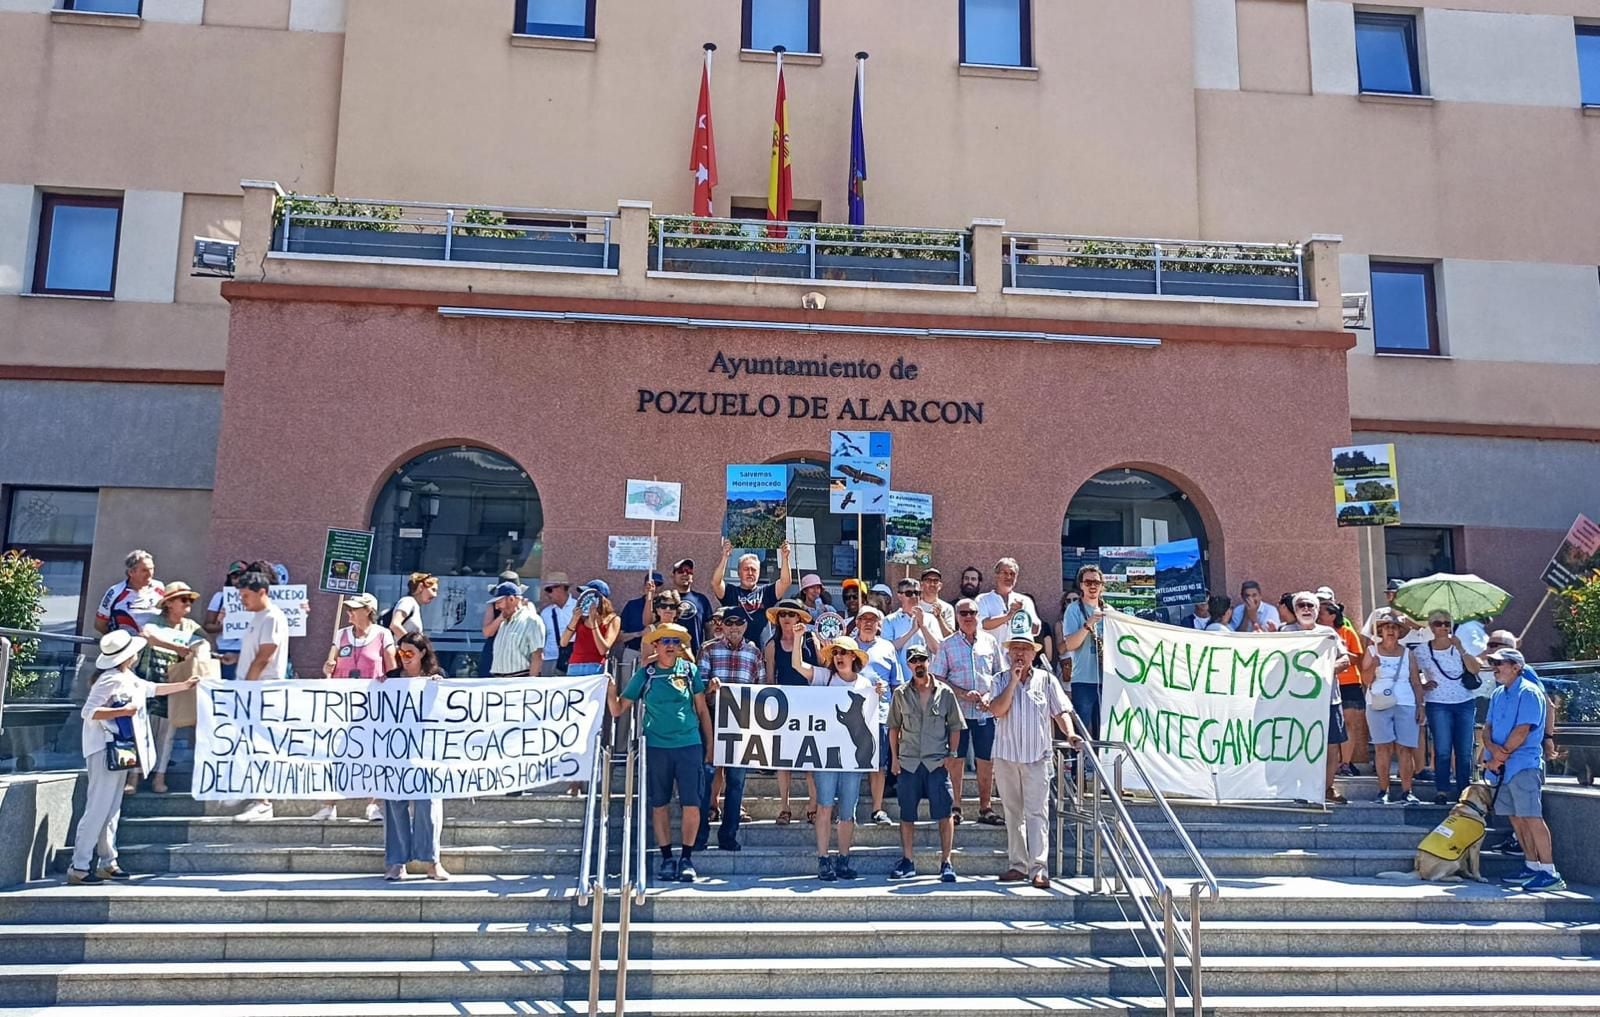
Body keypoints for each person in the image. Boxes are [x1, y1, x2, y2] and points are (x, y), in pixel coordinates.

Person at [68, 630, 200, 884]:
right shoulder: (110, 679)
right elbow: (89, 711)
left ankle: (107, 861)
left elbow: (152, 689)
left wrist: (184, 685)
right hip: (105, 748)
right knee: (98, 807)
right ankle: (80, 865)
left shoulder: (126, 677)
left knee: (111, 807)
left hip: (119, 748)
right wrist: (124, 712)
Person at [609, 622, 712, 883]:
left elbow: (702, 710)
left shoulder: (690, 670)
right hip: (656, 747)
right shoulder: (646, 674)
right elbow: (619, 709)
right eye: (665, 641)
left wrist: (710, 745)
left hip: (689, 745)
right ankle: (667, 858)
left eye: (676, 641)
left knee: (692, 804)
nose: (670, 646)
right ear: (655, 645)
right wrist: (610, 689)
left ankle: (686, 858)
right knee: (660, 805)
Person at [984, 633, 1083, 888]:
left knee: (1037, 812)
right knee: (1012, 812)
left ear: (1033, 654)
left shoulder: (1047, 680)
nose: (1019, 653)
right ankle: (1018, 865)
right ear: (1007, 654)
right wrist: (1013, 682)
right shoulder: (999, 680)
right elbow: (997, 710)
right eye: (1015, 649)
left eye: (1024, 649)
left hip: (1037, 757)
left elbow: (1060, 710)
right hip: (1006, 756)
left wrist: (1070, 734)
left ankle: (1039, 869)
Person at [789, 633, 888, 880]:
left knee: (848, 811)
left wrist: (880, 691)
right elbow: (797, 666)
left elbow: (874, 712)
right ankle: (823, 858)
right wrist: (799, 637)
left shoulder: (865, 684)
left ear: (854, 656)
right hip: (826, 755)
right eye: (836, 653)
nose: (839, 657)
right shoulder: (824, 677)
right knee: (824, 806)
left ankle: (843, 858)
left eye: (844, 652)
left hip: (852, 758)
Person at [1483, 646, 1563, 891]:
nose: (1495, 668)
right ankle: (1531, 865)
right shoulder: (1498, 694)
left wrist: (1500, 756)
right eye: (1494, 663)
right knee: (1516, 819)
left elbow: (1522, 731)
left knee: (1531, 817)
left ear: (1516, 667)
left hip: (1523, 766)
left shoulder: (1530, 693)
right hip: (1501, 767)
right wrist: (1492, 752)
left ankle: (1550, 872)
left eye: (1500, 663)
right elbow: (1486, 727)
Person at [315, 591, 397, 822]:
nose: (349, 612)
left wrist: (387, 681)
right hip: (343, 705)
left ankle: (373, 803)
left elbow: (392, 669)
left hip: (372, 704)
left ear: (368, 611)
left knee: (372, 752)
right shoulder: (341, 635)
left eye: (355, 608)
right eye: (349, 608)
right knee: (336, 751)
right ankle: (328, 803)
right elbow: (329, 666)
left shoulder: (383, 635)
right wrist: (328, 667)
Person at [887, 643, 966, 882]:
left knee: (945, 813)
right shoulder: (900, 693)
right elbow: (893, 727)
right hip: (909, 762)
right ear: (908, 664)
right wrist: (894, 759)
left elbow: (955, 726)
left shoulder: (945, 692)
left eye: (922, 659)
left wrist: (951, 755)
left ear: (928, 661)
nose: (918, 664)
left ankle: (946, 862)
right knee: (907, 813)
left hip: (936, 763)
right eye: (913, 660)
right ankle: (908, 861)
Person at [696, 604, 766, 851]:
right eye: (729, 623)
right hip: (713, 719)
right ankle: (699, 835)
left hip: (742, 722)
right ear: (722, 626)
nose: (734, 628)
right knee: (705, 777)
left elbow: (762, 691)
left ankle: (729, 836)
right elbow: (699, 694)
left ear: (745, 626)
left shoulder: (755, 653)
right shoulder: (708, 650)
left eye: (739, 623)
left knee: (736, 781)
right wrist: (710, 689)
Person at [380, 631, 448, 881]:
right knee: (395, 805)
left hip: (426, 753)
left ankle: (432, 861)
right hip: (394, 754)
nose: (404, 658)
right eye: (401, 653)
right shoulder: (390, 679)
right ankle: (397, 863)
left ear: (422, 653)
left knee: (427, 804)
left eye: (409, 653)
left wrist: (441, 689)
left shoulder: (437, 678)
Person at [929, 597, 1002, 826]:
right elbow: (937, 678)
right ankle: (955, 807)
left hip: (985, 712)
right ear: (957, 617)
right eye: (963, 613)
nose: (968, 617)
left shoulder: (990, 642)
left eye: (972, 612)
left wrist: (990, 696)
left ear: (978, 614)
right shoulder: (947, 644)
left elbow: (1000, 675)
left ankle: (985, 807)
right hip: (956, 713)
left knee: (985, 761)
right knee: (956, 760)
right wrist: (962, 693)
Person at [1280, 591, 1353, 804]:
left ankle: (1327, 788)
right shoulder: (1285, 633)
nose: (1306, 609)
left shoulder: (1328, 634)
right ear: (1295, 609)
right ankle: (1301, 790)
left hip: (1328, 699)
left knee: (1331, 746)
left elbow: (1345, 660)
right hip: (1297, 701)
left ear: (1317, 609)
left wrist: (1322, 669)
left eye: (1310, 605)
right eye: (1301, 605)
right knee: (1300, 744)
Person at [136, 582, 207, 795]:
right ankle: (135, 776)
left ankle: (160, 776)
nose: (188, 604)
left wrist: (198, 653)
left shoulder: (191, 626)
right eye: (183, 599)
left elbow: (205, 644)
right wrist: (177, 647)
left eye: (190, 600)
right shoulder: (155, 621)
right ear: (168, 604)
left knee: (168, 733)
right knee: (143, 729)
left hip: (175, 682)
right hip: (150, 678)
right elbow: (147, 635)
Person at [232, 567, 290, 822]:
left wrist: (247, 685)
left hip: (262, 690)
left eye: (246, 595)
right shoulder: (258, 617)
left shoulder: (271, 617)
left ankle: (263, 800)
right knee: (249, 744)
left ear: (261, 592)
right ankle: (254, 792)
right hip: (253, 687)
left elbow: (266, 654)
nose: (242, 601)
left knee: (260, 744)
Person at [1415, 610, 1484, 804]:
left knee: (1464, 750)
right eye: (1438, 623)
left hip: (1464, 701)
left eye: (1447, 623)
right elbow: (1410, 674)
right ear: (1431, 627)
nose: (1444, 627)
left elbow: (1476, 668)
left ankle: (1464, 789)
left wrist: (1461, 648)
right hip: (1437, 702)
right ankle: (1442, 789)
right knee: (1443, 748)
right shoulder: (1422, 650)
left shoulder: (1459, 645)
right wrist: (1421, 685)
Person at [1361, 610, 1426, 805]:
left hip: (1405, 702)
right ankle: (1383, 790)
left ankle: (1407, 791)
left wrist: (1420, 705)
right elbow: (1365, 680)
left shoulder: (1408, 653)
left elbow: (1416, 681)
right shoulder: (1372, 651)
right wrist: (1373, 665)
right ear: (1380, 630)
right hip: (1378, 702)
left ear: (1399, 632)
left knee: (1405, 748)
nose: (1390, 630)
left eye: (1394, 627)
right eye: (1387, 627)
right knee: (1383, 748)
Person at [761, 602, 814, 828]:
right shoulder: (772, 645)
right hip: (784, 706)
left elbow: (820, 673)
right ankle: (785, 807)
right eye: (783, 614)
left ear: (799, 619)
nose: (787, 618)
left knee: (811, 759)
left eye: (792, 614)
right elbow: (771, 677)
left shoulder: (812, 641)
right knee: (784, 761)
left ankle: (813, 805)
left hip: (810, 706)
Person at [853, 604, 903, 826]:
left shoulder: (888, 647)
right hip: (851, 715)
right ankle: (848, 808)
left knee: (879, 765)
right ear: (857, 623)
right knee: (850, 763)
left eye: (873, 619)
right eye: (864, 619)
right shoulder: (847, 645)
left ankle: (877, 809)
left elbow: (897, 684)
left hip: (880, 714)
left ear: (879, 624)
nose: (868, 623)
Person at [1061, 564, 1114, 740]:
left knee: (1105, 732)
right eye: (1088, 582)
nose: (1093, 586)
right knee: (1082, 730)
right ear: (1081, 585)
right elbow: (1070, 644)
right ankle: (1079, 767)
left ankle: (1102, 766)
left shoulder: (1110, 612)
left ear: (1102, 586)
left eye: (1096, 582)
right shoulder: (1074, 610)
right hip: (1083, 679)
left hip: (1107, 680)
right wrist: (1088, 624)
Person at [712, 538, 792, 648]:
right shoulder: (731, 591)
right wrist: (725, 557)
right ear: (739, 572)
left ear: (759, 573)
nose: (750, 573)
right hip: (734, 651)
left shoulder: (766, 592)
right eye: (746, 569)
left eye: (754, 570)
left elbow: (785, 582)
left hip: (761, 652)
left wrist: (785, 558)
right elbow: (716, 583)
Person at [882, 579, 943, 684]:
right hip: (900, 681)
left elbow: (938, 650)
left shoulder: (930, 619)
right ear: (900, 596)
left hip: (926, 681)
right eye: (909, 593)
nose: (914, 597)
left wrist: (923, 626)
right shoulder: (890, 620)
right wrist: (912, 631)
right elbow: (887, 649)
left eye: (917, 593)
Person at [96, 549, 165, 635]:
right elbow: (100, 624)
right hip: (129, 646)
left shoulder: (159, 587)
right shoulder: (115, 592)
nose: (150, 574)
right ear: (131, 572)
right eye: (144, 570)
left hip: (154, 645)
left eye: (151, 569)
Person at [560, 581, 620, 679]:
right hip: (575, 664)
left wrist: (594, 623)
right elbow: (563, 642)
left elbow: (603, 650)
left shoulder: (613, 619)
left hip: (595, 665)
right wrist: (574, 619)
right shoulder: (581, 618)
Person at [976, 557, 1040, 648]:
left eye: (1012, 574)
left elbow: (1035, 630)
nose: (1009, 577)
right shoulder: (983, 599)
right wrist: (1008, 616)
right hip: (991, 655)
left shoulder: (1025, 600)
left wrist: (1022, 615)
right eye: (1005, 573)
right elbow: (983, 624)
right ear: (996, 575)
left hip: (1018, 657)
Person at [487, 580, 545, 677]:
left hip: (519, 679)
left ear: (511, 599)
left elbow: (537, 655)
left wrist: (531, 685)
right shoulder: (504, 622)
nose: (497, 607)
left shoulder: (531, 620)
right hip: (498, 680)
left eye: (499, 602)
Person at [202, 560, 248, 679]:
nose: (238, 580)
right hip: (226, 649)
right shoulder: (220, 597)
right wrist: (226, 627)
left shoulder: (256, 597)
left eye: (242, 575)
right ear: (229, 578)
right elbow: (207, 626)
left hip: (250, 649)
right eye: (235, 576)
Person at [478, 570, 522, 678]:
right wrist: (501, 617)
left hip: (517, 650)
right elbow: (487, 632)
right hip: (494, 650)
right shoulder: (493, 606)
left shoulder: (527, 608)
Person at [617, 572, 662, 676]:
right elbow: (619, 636)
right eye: (650, 584)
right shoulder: (632, 605)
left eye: (658, 585)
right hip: (633, 651)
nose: (654, 588)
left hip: (655, 653)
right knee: (627, 685)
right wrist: (638, 634)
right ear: (644, 586)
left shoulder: (664, 607)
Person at [537, 572, 575, 676]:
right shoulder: (546, 613)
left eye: (549, 590)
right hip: (550, 659)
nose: (547, 594)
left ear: (561, 588)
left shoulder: (577, 608)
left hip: (572, 659)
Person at [670, 559, 713, 647]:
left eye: (688, 571)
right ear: (673, 575)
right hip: (670, 652)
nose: (685, 574)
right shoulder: (666, 599)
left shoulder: (702, 600)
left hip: (694, 655)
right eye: (680, 571)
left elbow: (709, 629)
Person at [387, 572, 437, 640]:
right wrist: (412, 644)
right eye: (433, 590)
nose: (435, 595)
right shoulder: (408, 601)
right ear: (421, 587)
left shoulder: (415, 606)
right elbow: (395, 625)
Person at [917, 568, 957, 638]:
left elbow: (950, 636)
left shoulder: (947, 608)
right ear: (921, 585)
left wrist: (939, 617)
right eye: (928, 580)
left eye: (935, 581)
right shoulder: (916, 606)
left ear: (940, 586)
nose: (932, 584)